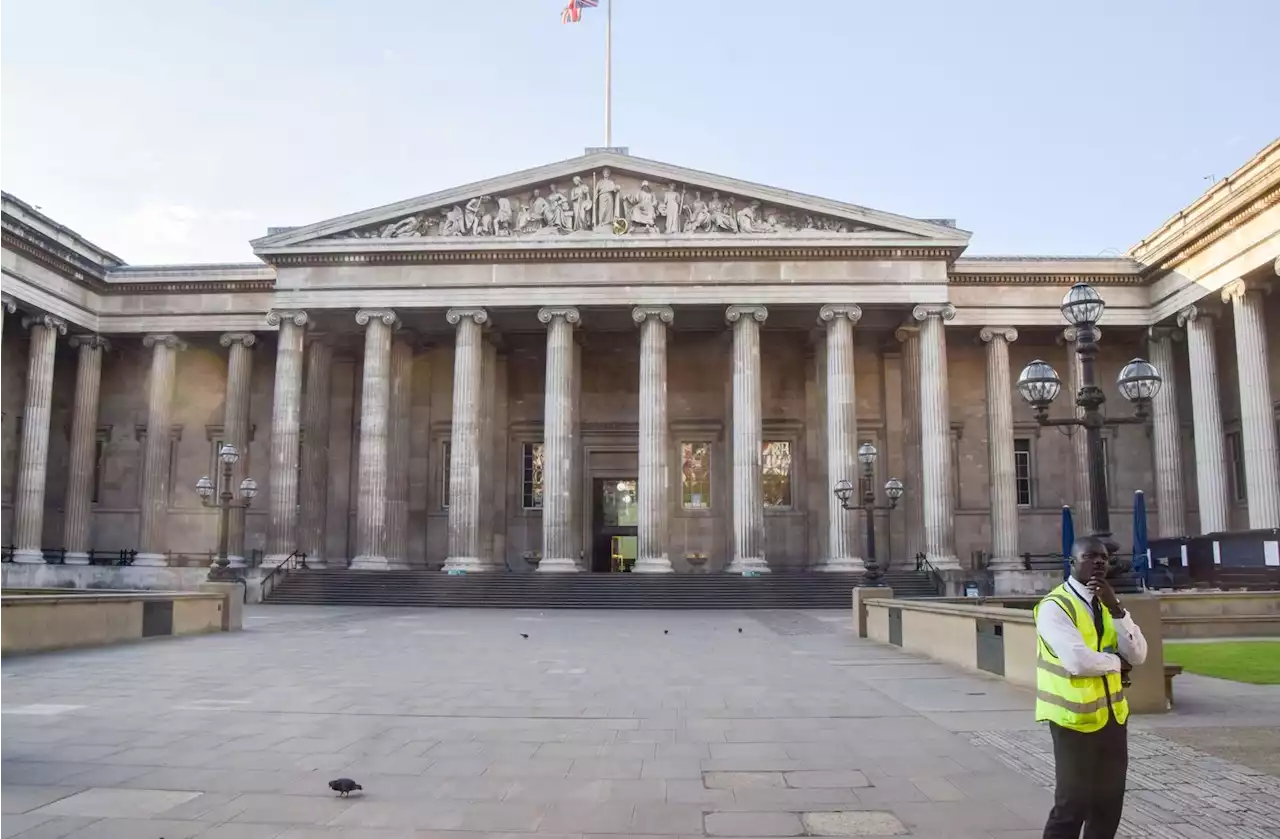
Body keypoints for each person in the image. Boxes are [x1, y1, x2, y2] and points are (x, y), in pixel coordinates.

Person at [1035, 535, 1148, 838]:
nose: (1098, 562)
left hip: (1112, 719)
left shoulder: (1110, 604)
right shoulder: (1055, 606)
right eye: (1089, 556)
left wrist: (1117, 610)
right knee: (1072, 805)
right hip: (1072, 720)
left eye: (1103, 557)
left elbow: (1138, 654)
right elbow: (1077, 661)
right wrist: (1116, 663)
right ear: (1072, 562)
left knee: (1108, 805)